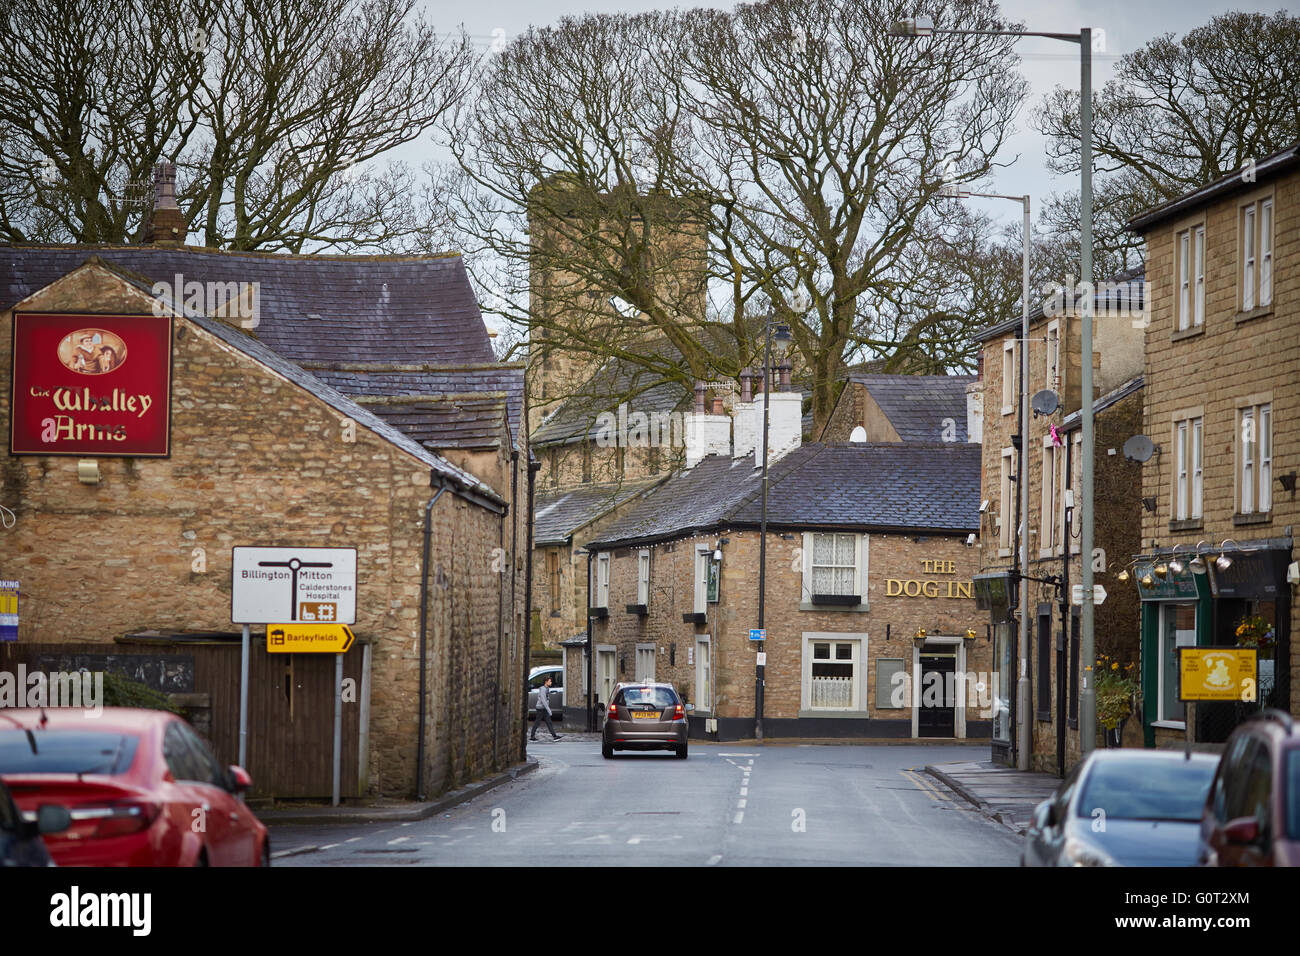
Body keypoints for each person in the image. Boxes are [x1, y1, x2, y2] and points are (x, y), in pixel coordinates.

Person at [530, 676, 562, 741]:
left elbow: (546, 699)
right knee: (537, 722)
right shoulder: (543, 689)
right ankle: (532, 736)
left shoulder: (547, 688)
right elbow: (543, 700)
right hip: (540, 708)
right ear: (546, 682)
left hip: (544, 709)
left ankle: (554, 736)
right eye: (550, 681)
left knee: (549, 722)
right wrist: (548, 709)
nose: (551, 682)